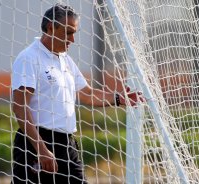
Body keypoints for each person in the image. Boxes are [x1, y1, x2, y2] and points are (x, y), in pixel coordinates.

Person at [11, 3, 143, 184]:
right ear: (50, 28)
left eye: (74, 33)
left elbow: (87, 93)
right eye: (68, 32)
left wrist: (119, 98)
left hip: (66, 144)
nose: (72, 39)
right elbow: (20, 108)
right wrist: (41, 148)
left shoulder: (66, 60)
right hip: (36, 144)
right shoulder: (29, 58)